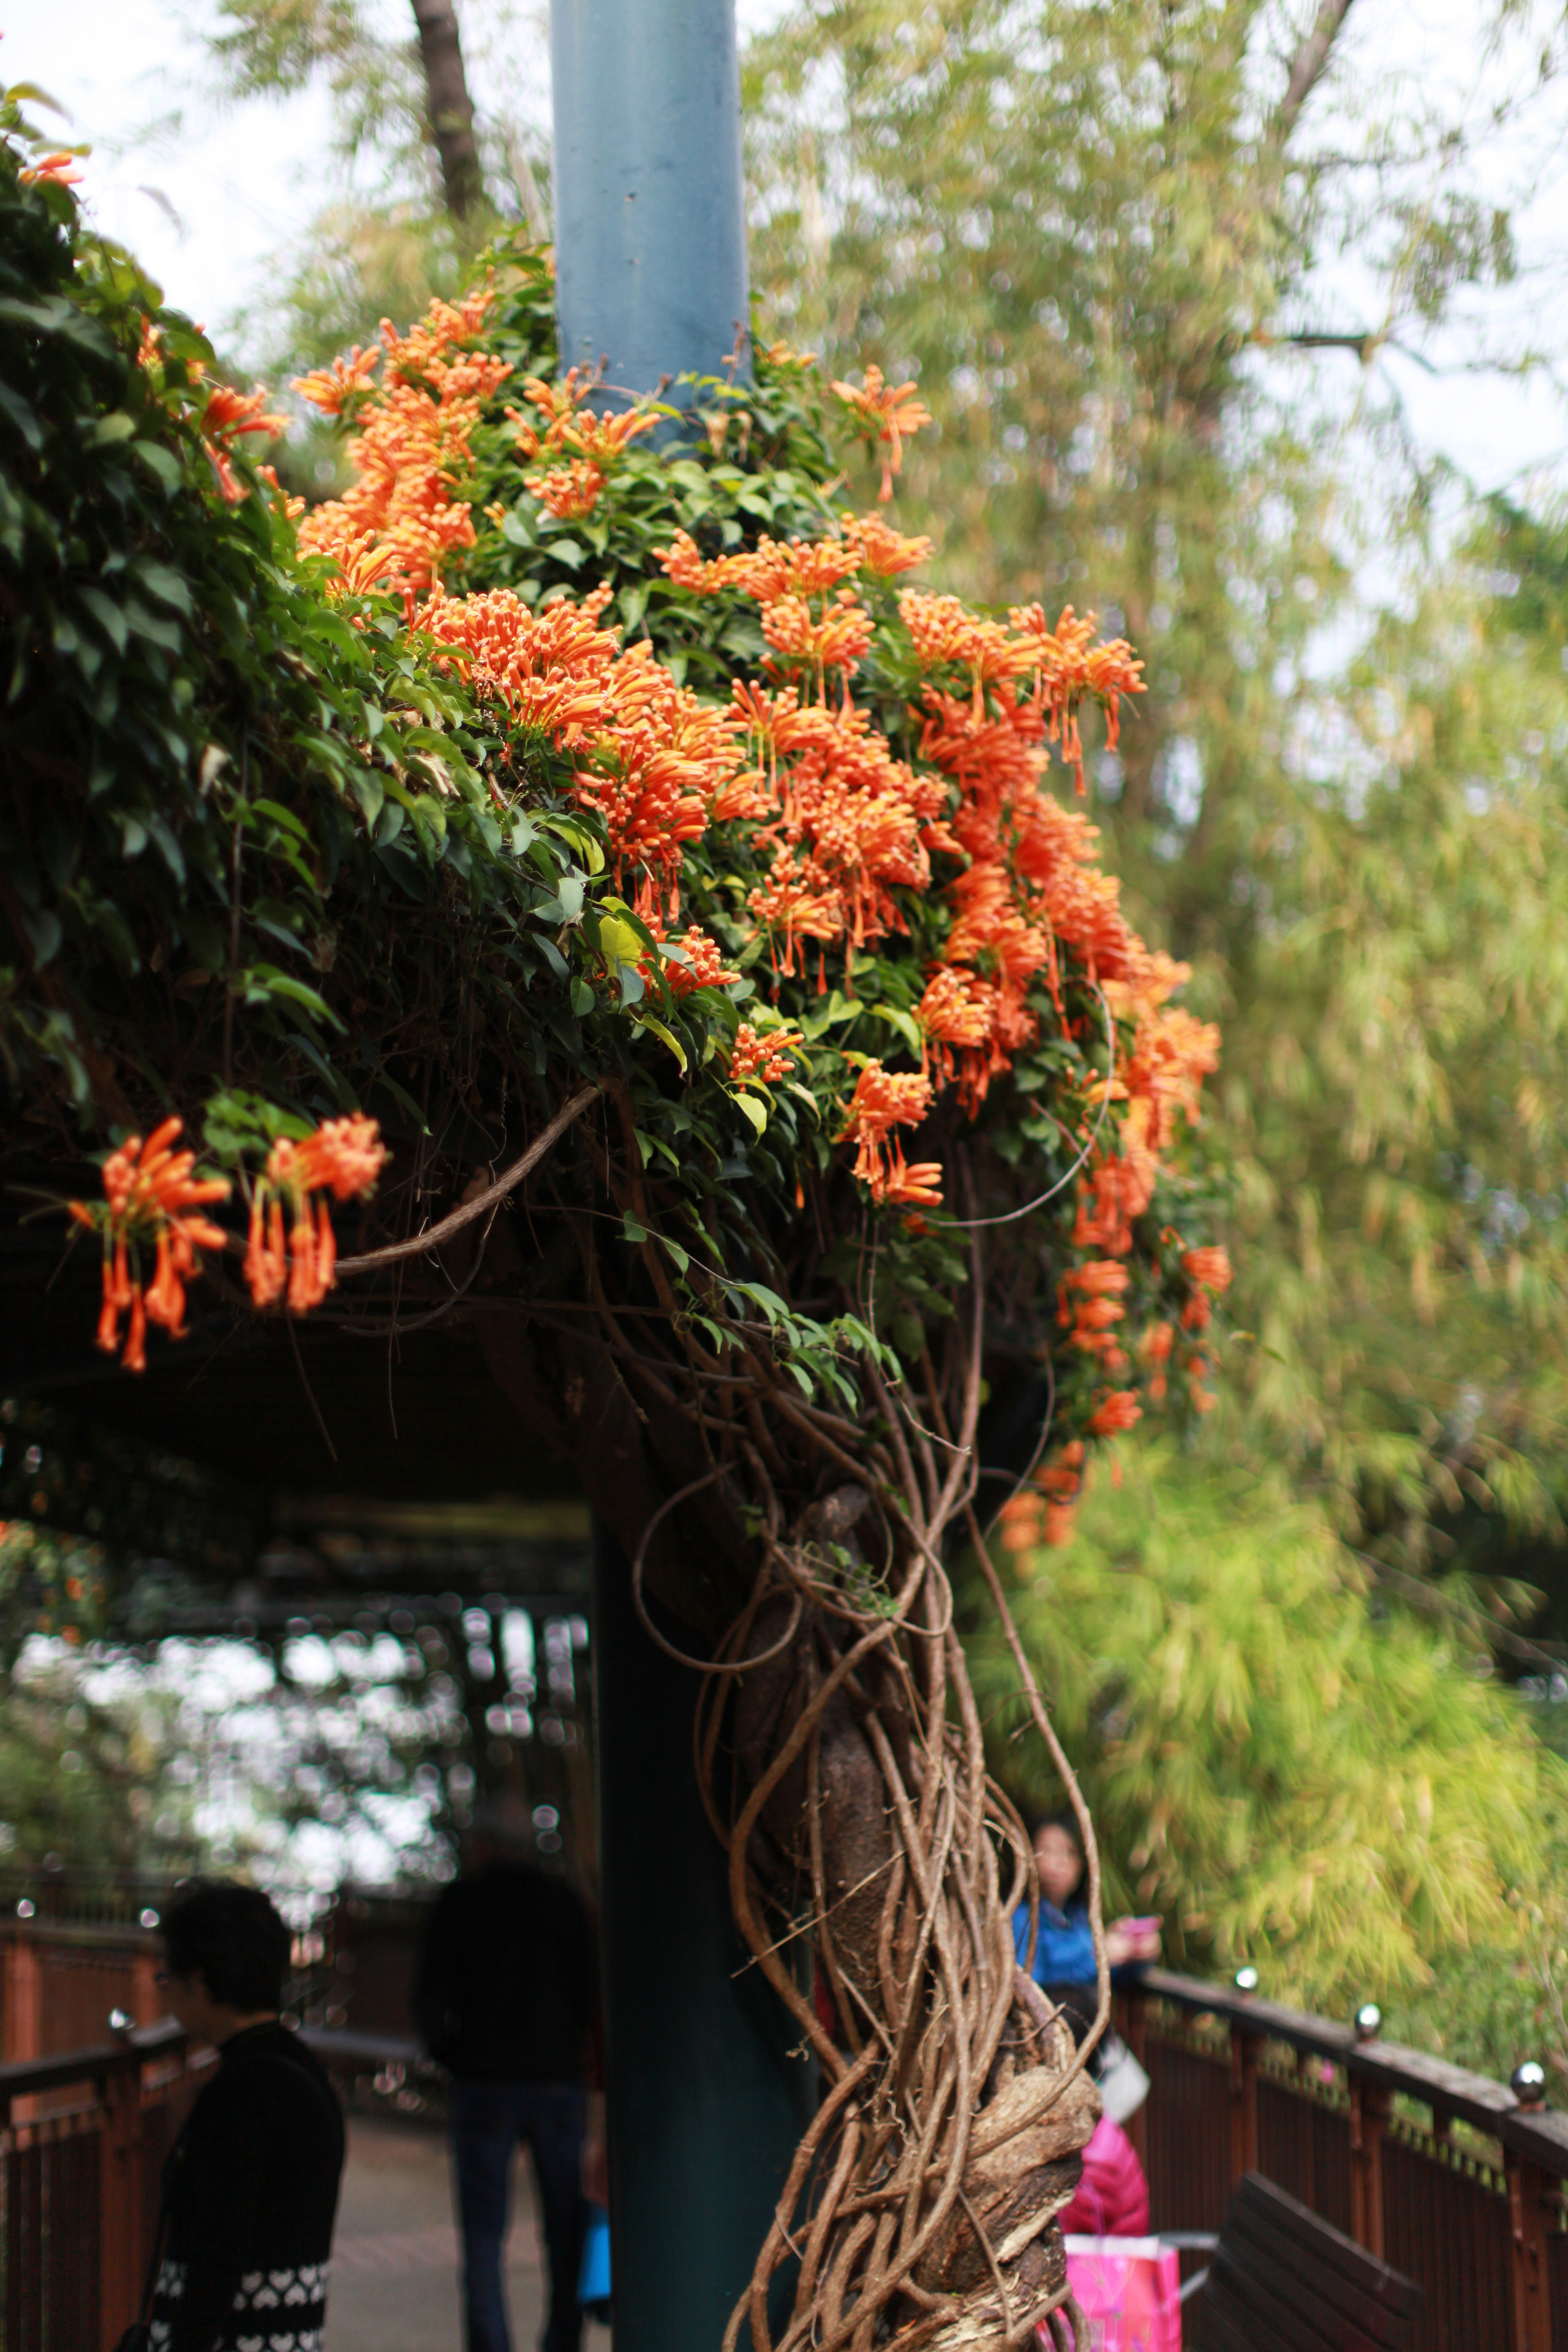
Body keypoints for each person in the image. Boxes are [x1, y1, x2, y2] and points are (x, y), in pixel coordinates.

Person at [413, 1799, 600, 2352]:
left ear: (486, 1845)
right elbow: (590, 1996)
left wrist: (459, 2059)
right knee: (565, 2230)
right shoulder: (563, 1901)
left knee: (483, 2235)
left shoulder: (460, 1902)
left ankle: (490, 2345)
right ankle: (563, 2341)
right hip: (556, 2085)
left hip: (484, 2086)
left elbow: (429, 1999)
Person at [141, 1879, 345, 2352]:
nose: (165, 1990)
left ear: (200, 1981)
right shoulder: (304, 2073)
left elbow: (216, 2255)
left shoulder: (242, 2092)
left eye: (167, 1975)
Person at [1012, 1811, 1160, 1996]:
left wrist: (1134, 1956)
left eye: (1070, 1853)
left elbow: (1104, 1978)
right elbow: (1030, 1983)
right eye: (1048, 1850)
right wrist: (1098, 1959)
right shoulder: (1020, 1918)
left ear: (1082, 1863)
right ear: (1029, 1856)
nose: (1060, 1862)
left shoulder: (1077, 1916)